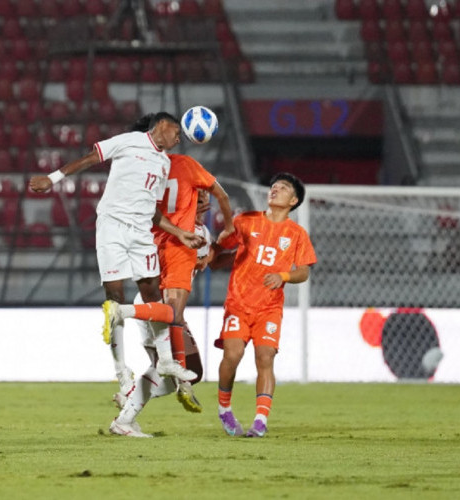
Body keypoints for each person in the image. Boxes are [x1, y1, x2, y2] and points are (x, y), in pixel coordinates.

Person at [29, 112, 204, 437]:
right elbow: (90, 158)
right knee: (115, 296)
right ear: (161, 125)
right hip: (112, 225)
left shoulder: (164, 164)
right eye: (177, 130)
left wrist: (179, 233)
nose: (180, 137)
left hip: (141, 231)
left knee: (151, 291)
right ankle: (122, 372)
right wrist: (52, 179)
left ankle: (164, 361)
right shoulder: (129, 141)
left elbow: (153, 210)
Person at [108, 113, 235, 420]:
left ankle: (127, 407)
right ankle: (136, 400)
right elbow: (216, 195)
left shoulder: (145, 179)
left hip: (147, 294)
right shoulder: (181, 174)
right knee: (177, 367)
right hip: (157, 306)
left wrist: (214, 253)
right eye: (199, 196)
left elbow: (212, 259)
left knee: (185, 370)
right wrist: (226, 228)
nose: (202, 201)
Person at [210, 172, 316, 438]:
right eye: (274, 186)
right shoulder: (245, 221)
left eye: (282, 188)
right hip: (238, 302)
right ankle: (224, 409)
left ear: (293, 201)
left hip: (269, 308)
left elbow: (303, 272)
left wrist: (282, 276)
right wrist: (211, 251)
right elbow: (223, 248)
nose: (275, 189)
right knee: (232, 355)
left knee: (265, 357)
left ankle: (260, 420)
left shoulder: (297, 234)